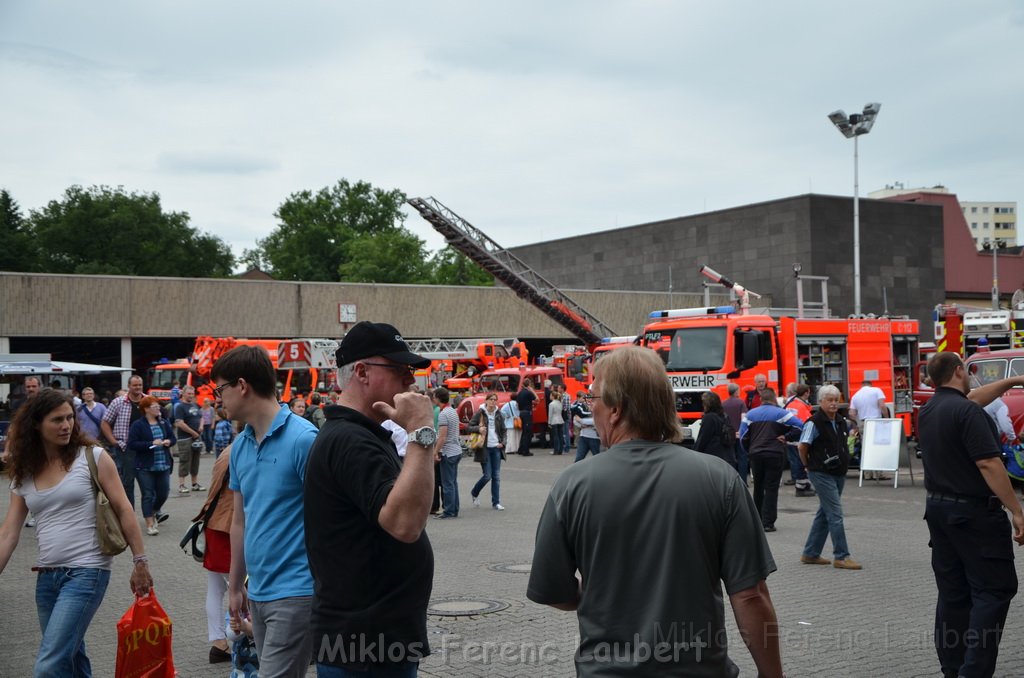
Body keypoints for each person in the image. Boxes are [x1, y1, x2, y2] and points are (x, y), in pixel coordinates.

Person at [527, 347, 783, 677]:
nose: (592, 409)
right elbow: (750, 595)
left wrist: (597, 592)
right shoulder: (720, 479)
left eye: (593, 399)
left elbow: (552, 590)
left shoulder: (572, 485)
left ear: (616, 410)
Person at [303, 320, 436, 676]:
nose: (411, 380)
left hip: (374, 641)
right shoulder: (350, 440)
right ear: (361, 371)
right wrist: (422, 431)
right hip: (364, 646)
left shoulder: (362, 435)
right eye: (399, 369)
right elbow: (406, 524)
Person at [0, 389, 153, 677]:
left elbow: (124, 509)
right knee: (70, 657)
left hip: (87, 572)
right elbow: (9, 532)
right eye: (57, 419)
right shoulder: (25, 471)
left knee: (49, 664)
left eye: (70, 417)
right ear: (36, 424)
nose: (66, 425)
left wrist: (140, 561)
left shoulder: (93, 457)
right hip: (47, 577)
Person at [215, 345, 319, 678]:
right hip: (257, 592)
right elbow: (239, 522)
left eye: (221, 389)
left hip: (297, 592)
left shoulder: (304, 439)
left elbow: (328, 519)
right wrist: (234, 587)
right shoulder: (240, 447)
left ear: (242, 385)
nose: (219, 399)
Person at [919, 352, 1024, 678]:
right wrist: (1017, 512)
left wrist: (1014, 380)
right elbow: (988, 464)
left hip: (939, 512)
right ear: (959, 371)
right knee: (992, 591)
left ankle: (953, 668)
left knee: (953, 592)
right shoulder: (967, 412)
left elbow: (972, 398)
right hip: (975, 516)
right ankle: (974, 671)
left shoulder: (930, 410)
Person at [797, 384, 862, 570]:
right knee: (835, 514)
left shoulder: (841, 421)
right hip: (821, 473)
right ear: (821, 402)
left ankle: (810, 553)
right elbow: (802, 446)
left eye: (836, 400)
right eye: (830, 400)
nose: (834, 404)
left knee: (824, 513)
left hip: (838, 473)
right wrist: (807, 465)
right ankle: (841, 556)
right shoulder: (813, 422)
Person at [740, 388, 804, 533]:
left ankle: (756, 520)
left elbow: (743, 436)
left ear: (761, 399)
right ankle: (768, 523)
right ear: (774, 399)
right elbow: (801, 426)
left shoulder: (750, 415)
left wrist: (748, 451)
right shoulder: (782, 413)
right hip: (775, 454)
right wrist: (787, 437)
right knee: (771, 488)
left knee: (758, 487)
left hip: (756, 454)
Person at [197, 447, 235, 664]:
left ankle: (219, 643)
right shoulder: (242, 450)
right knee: (239, 587)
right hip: (227, 527)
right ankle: (237, 637)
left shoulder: (228, 451)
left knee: (216, 588)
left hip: (216, 524)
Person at [127, 396, 175, 536]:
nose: (158, 408)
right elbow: (132, 444)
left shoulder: (164, 423)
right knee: (147, 495)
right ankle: (149, 524)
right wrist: (151, 443)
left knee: (163, 493)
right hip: (145, 467)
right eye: (154, 406)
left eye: (158, 406)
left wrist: (168, 442)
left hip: (163, 465)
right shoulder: (138, 425)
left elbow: (173, 438)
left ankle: (153, 511)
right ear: (146, 409)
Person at [100, 374, 146, 508]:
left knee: (148, 482)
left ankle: (153, 511)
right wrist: (113, 441)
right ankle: (129, 511)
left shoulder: (148, 401)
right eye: (135, 385)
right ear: (129, 386)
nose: (138, 387)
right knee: (128, 482)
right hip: (125, 448)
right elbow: (105, 422)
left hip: (146, 447)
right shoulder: (118, 402)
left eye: (140, 385)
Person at [469, 393, 507, 510]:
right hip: (484, 448)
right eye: (491, 399)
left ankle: (496, 502)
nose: (493, 402)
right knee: (487, 476)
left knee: (496, 476)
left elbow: (504, 430)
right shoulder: (480, 413)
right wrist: (478, 429)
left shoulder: (499, 413)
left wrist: (503, 443)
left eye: (495, 400)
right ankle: (474, 492)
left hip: (496, 447)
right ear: (486, 401)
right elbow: (469, 426)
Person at [849, 379, 890, 481]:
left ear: (862, 386)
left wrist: (857, 424)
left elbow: (852, 414)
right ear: (870, 385)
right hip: (876, 422)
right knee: (877, 448)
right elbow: (882, 405)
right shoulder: (876, 390)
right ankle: (878, 474)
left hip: (864, 423)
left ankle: (867, 474)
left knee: (866, 449)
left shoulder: (855, 396)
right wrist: (887, 418)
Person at [434, 387, 462, 519]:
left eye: (434, 396)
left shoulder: (443, 414)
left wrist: (436, 451)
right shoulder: (452, 411)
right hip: (456, 450)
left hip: (448, 452)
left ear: (438, 398)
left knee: (447, 483)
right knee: (453, 482)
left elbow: (443, 436)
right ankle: (454, 508)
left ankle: (449, 510)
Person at [173, 385, 206, 494]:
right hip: (185, 438)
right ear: (183, 394)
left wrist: (201, 426)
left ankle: (194, 483)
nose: (191, 396)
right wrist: (193, 433)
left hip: (197, 437)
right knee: (185, 461)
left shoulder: (196, 405)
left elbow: (201, 417)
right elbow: (179, 423)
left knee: (196, 461)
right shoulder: (180, 407)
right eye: (189, 394)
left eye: (192, 394)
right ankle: (182, 485)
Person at [784, 383, 815, 497]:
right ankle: (801, 488)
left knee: (796, 463)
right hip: (798, 439)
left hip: (790, 438)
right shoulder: (801, 407)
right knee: (801, 464)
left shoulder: (791, 404)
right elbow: (807, 424)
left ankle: (804, 485)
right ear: (806, 393)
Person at [693, 391, 737, 467]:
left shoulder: (709, 418)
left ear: (707, 404)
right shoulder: (724, 416)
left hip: (713, 459)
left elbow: (703, 439)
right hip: (727, 458)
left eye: (703, 403)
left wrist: (694, 454)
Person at [723, 382, 748, 480]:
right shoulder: (741, 403)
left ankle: (731, 480)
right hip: (739, 434)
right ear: (736, 391)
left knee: (731, 458)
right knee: (742, 458)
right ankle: (743, 480)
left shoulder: (723, 403)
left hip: (729, 435)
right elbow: (744, 418)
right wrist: (741, 431)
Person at [572, 390, 601, 462]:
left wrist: (581, 421)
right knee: (578, 459)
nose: (588, 400)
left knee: (598, 459)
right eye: (587, 398)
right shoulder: (582, 407)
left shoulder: (597, 407)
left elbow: (595, 421)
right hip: (583, 436)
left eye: (590, 398)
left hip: (594, 437)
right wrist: (581, 425)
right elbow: (575, 419)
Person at [515, 377, 537, 456]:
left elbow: (517, 405)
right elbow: (537, 399)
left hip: (521, 413)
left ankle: (521, 449)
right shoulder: (528, 393)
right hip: (527, 413)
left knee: (524, 432)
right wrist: (532, 391)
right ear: (529, 385)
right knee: (528, 432)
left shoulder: (520, 393)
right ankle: (526, 450)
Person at [547, 384, 566, 455]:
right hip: (560, 420)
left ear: (553, 396)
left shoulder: (551, 404)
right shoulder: (560, 403)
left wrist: (549, 423)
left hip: (554, 421)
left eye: (550, 395)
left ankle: (556, 450)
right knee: (560, 436)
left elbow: (550, 414)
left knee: (555, 437)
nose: (550, 396)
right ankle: (560, 450)